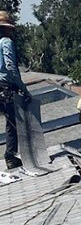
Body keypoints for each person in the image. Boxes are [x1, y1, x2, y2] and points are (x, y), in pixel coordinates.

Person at [0, 11, 30, 171]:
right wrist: (23, 88)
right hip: (5, 87)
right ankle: (12, 156)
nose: (12, 32)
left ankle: (12, 155)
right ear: (6, 29)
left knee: (10, 122)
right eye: (10, 29)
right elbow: (11, 67)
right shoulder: (6, 42)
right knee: (14, 123)